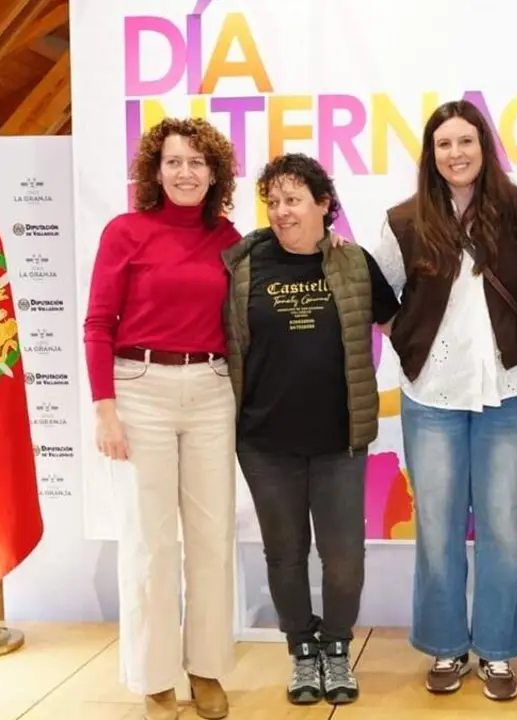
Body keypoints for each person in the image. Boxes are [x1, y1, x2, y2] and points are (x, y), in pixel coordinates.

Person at [370, 99, 517, 701]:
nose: (455, 153)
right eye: (443, 144)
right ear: (431, 154)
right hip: (432, 397)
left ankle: (496, 652)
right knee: (438, 527)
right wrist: (408, 339)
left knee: (503, 527)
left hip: (508, 392)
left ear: (484, 146)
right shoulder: (405, 219)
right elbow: (375, 288)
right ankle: (447, 646)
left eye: (465, 141)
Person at [221, 153, 399, 707]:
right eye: (272, 201)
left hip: (339, 441)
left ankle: (337, 646)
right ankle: (302, 649)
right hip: (263, 441)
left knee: (344, 557)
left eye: (293, 199)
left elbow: (399, 325)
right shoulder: (245, 263)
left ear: (325, 205)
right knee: (285, 553)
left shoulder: (354, 263)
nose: (281, 211)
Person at [84, 116, 242, 720]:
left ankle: (205, 669)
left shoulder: (230, 239)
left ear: (215, 174)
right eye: (174, 161)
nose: (185, 173)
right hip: (140, 391)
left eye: (197, 163)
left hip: (211, 389)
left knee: (210, 539)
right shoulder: (125, 232)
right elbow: (98, 324)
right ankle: (153, 678)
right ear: (155, 170)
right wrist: (106, 411)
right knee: (150, 544)